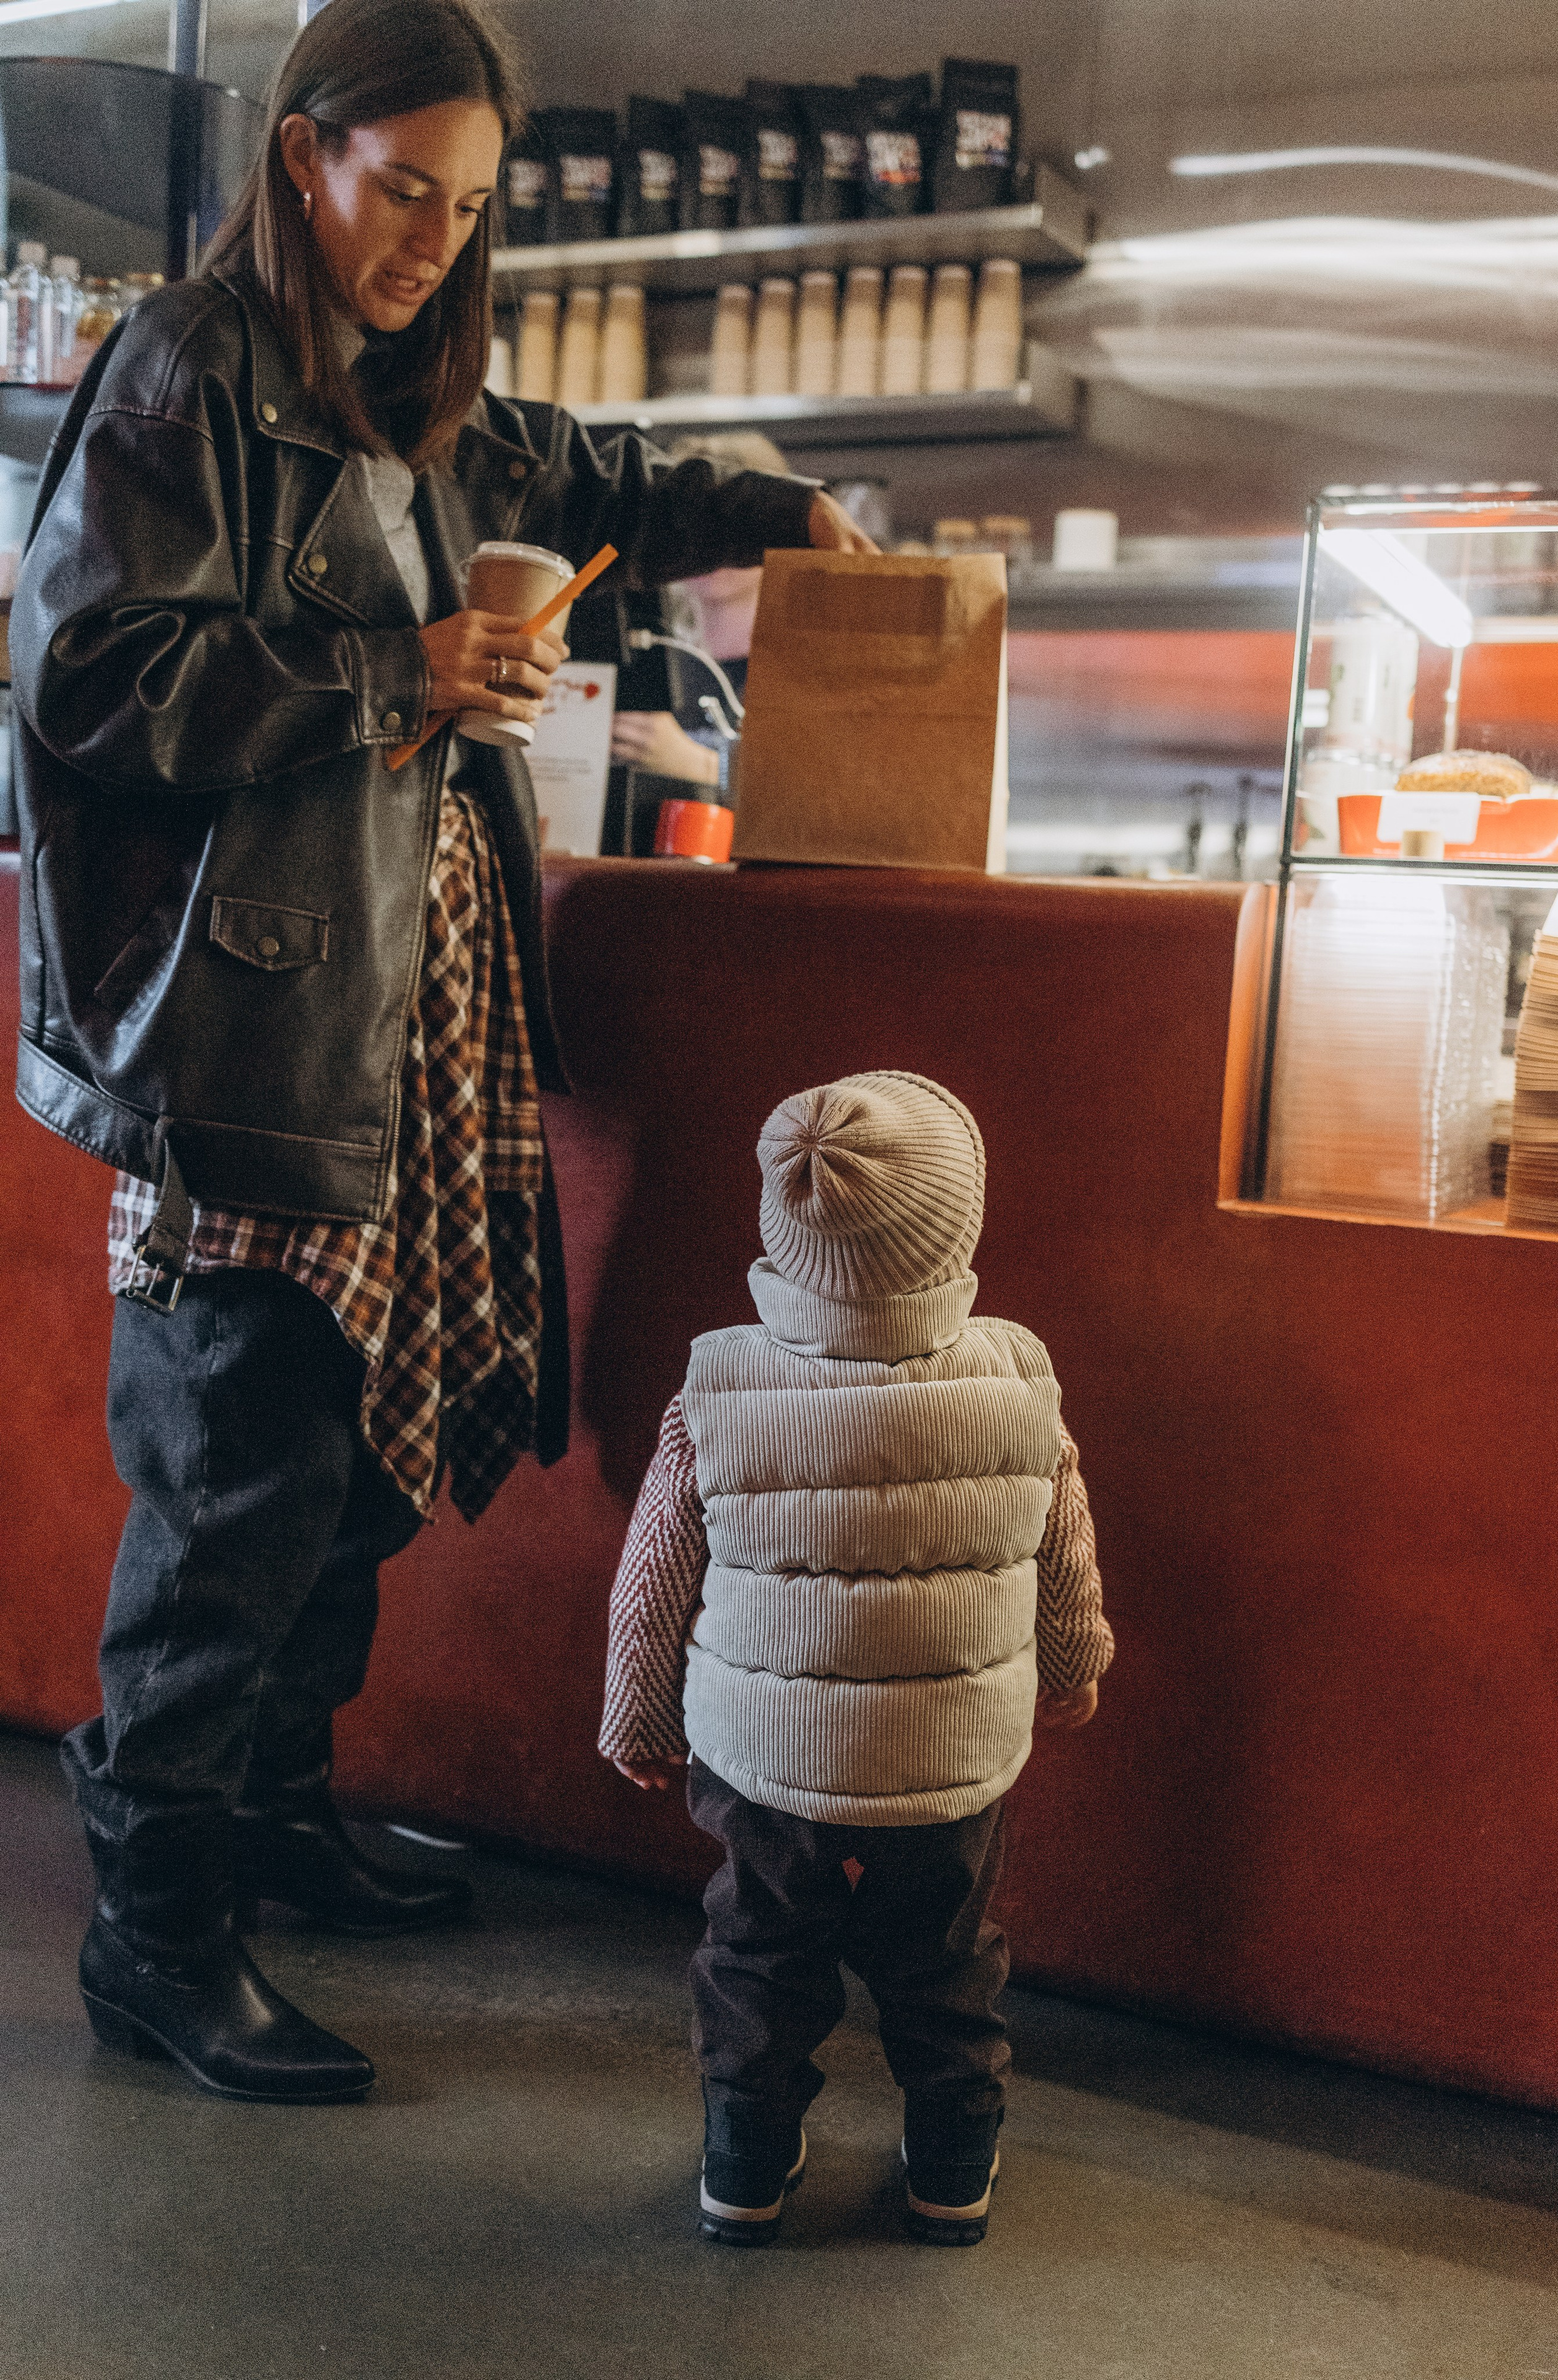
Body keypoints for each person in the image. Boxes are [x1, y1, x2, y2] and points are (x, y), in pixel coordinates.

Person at [10, 0, 875, 2107]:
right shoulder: (186, 371)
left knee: (349, 1478)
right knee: (234, 1484)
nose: (428, 239)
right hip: (254, 1020)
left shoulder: (428, 403)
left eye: (466, 207)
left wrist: (777, 511)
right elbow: (90, 681)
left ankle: (281, 1825)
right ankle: (157, 1935)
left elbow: (605, 478)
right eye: (402, 189)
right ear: (303, 156)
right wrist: (390, 662)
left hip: (407, 1014)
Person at [599, 1071, 1113, 2245]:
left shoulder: (719, 1379)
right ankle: (949, 2167)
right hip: (954, 1761)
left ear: (785, 1229)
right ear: (956, 1225)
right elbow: (1064, 1546)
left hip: (762, 1761)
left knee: (759, 1957)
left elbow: (653, 1578)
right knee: (947, 1962)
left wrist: (638, 1717)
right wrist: (1074, 1662)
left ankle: (744, 2163)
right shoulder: (1016, 1372)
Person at [608, 432, 788, 796]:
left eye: (734, 530)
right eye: (688, 530)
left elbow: (815, 800)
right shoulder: (645, 659)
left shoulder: (799, 673)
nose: (709, 549)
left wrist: (702, 766)